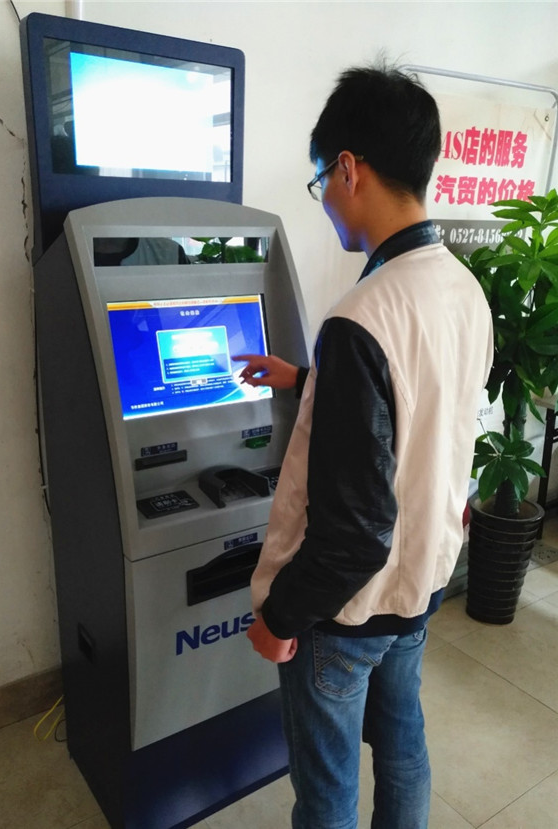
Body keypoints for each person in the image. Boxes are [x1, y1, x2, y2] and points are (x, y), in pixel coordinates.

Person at [238, 64, 494, 829]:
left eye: (321, 181)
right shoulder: (461, 288)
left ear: (349, 168)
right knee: (404, 744)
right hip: (420, 585)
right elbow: (421, 401)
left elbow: (353, 533)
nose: (324, 200)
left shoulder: (361, 316)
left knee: (326, 794)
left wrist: (280, 617)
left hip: (345, 615)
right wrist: (307, 379)